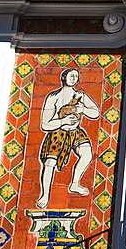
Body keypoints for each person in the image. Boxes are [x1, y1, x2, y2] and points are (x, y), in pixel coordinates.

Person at [36, 68, 100, 209]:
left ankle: (75, 183)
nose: (74, 78)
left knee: (87, 154)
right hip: (58, 132)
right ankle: (45, 194)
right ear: (64, 77)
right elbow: (45, 124)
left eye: (76, 76)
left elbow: (95, 113)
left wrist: (83, 109)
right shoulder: (54, 97)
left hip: (75, 131)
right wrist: (62, 122)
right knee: (50, 162)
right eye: (71, 76)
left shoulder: (80, 96)